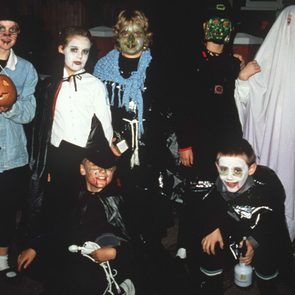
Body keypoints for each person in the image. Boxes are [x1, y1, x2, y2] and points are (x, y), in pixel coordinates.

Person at [93, 9, 171, 251]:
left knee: (149, 202)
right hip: (114, 145)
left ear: (145, 36)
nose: (130, 38)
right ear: (117, 35)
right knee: (119, 201)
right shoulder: (103, 66)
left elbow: (170, 107)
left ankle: (150, 248)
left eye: (136, 32)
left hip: (148, 147)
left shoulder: (159, 66)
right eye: (125, 32)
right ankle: (123, 246)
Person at [178, 138, 295, 295]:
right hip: (232, 228)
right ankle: (211, 285)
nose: (230, 177)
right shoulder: (213, 184)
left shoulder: (268, 184)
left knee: (269, 260)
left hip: (262, 229)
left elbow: (273, 220)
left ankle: (268, 285)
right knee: (209, 244)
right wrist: (213, 227)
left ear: (251, 169)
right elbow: (202, 208)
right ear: (217, 167)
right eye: (224, 169)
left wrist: (253, 242)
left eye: (237, 170)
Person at [18, 141, 135, 295]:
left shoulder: (117, 200)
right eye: (96, 169)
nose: (103, 174)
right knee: (43, 266)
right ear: (82, 170)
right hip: (72, 255)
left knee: (82, 277)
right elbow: (55, 226)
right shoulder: (72, 196)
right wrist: (35, 247)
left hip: (104, 257)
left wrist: (115, 253)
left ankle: (119, 285)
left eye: (109, 170)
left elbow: (135, 240)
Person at [28, 26, 114, 233]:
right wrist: (46, 164)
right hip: (59, 155)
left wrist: (106, 157)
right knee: (57, 210)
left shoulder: (94, 85)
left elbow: (106, 124)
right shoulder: (50, 85)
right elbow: (42, 126)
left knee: (83, 213)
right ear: (61, 49)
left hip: (86, 154)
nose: (79, 56)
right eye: (74, 50)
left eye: (85, 52)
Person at [234, 5, 295, 242]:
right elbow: (245, 101)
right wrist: (242, 78)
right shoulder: (263, 64)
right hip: (270, 141)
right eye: (289, 22)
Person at [174, 0, 242, 182]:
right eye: (214, 22)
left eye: (224, 23)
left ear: (231, 29)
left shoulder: (233, 64)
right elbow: (181, 105)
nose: (219, 28)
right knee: (197, 192)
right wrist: (185, 144)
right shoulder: (189, 61)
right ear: (205, 26)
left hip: (226, 142)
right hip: (198, 143)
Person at [0, 9, 38, 278]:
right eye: (1, 28)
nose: (6, 34)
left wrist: (8, 106)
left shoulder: (25, 69)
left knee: (6, 209)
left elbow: (29, 112)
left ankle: (1, 261)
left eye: (12, 29)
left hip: (13, 155)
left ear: (18, 34)